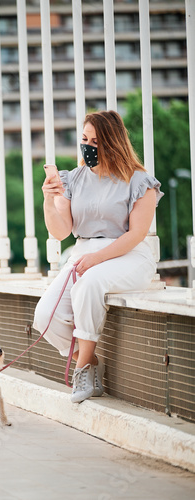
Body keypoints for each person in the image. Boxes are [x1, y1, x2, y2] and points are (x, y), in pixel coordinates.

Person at [33, 110, 164, 404]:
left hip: (128, 255)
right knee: (45, 316)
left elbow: (136, 234)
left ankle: (81, 369)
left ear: (112, 142)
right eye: (84, 139)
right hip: (84, 253)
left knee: (90, 284)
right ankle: (90, 361)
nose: (88, 146)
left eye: (96, 141)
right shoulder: (73, 179)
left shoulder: (139, 181)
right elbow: (61, 231)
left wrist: (97, 259)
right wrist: (47, 200)